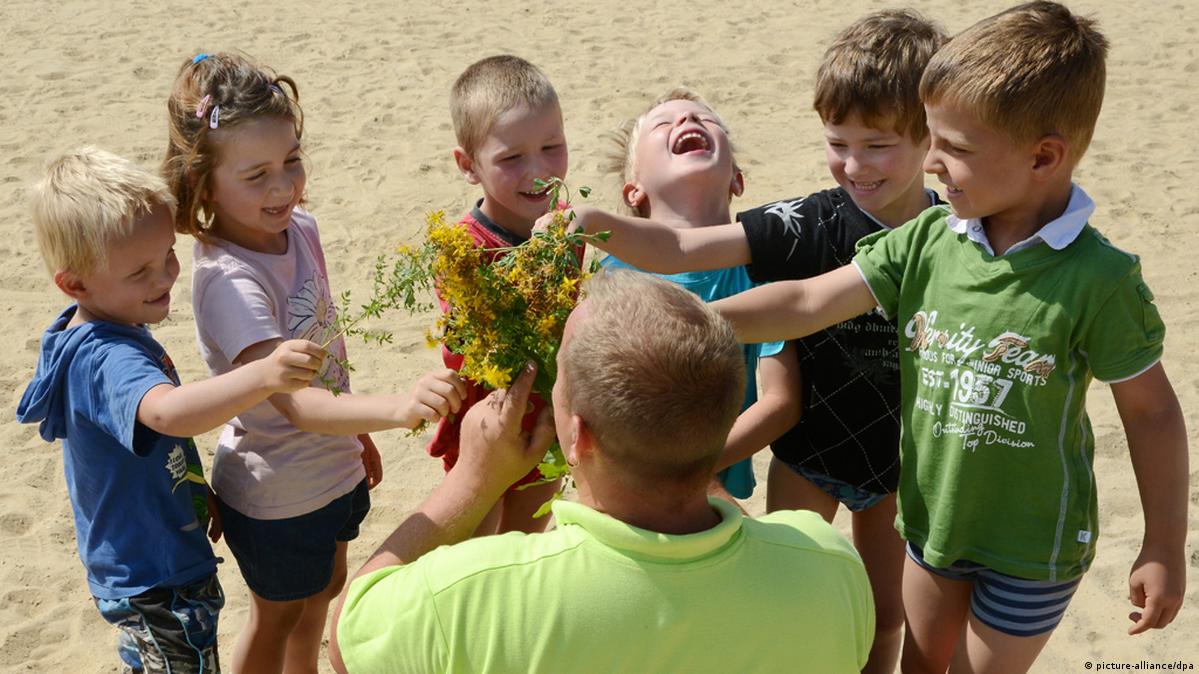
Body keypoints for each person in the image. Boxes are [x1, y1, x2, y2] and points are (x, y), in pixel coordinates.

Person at [707, 3, 1188, 672]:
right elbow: (805, 301)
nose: (930, 162)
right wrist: (697, 319)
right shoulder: (929, 239)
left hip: (1029, 551)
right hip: (930, 528)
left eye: (954, 148)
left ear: (1042, 156)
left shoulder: (1097, 279)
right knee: (919, 665)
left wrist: (1162, 542)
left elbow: (1152, 410)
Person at [540, 13, 946, 671]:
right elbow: (677, 245)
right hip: (809, 455)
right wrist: (595, 223)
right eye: (837, 143)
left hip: (907, 462)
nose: (853, 165)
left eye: (877, 145)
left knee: (883, 617)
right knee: (792, 601)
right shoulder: (806, 222)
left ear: (933, 136)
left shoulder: (955, 230)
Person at [330, 270, 876, 673]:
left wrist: (471, 481)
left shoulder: (467, 595)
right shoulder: (828, 565)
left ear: (579, 435)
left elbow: (346, 640)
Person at [162, 52, 466, 674]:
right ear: (201, 182)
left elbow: (328, 358)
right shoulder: (230, 282)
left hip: (332, 467)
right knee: (275, 620)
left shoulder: (300, 228)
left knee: (323, 599)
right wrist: (396, 410)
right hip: (277, 492)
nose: (283, 186)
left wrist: (353, 437)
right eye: (257, 175)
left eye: (292, 160)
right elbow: (297, 402)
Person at [16, 147, 326, 674]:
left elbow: (150, 445)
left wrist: (193, 495)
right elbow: (168, 415)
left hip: (151, 556)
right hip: (152, 575)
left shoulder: (99, 326)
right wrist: (264, 372)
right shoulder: (107, 355)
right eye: (140, 272)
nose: (164, 278)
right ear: (75, 284)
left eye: (167, 256)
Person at [597, 87, 800, 501]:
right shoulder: (614, 276)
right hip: (626, 485)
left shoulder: (761, 270)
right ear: (633, 191)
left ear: (737, 180)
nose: (687, 122)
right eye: (664, 122)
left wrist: (695, 468)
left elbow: (782, 400)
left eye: (704, 119)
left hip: (713, 486)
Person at [429, 54, 571, 535]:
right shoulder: (462, 249)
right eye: (512, 158)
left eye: (552, 146)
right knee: (478, 542)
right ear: (468, 166)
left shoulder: (567, 227)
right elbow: (471, 343)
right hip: (486, 423)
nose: (539, 171)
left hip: (546, 418)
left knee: (527, 538)